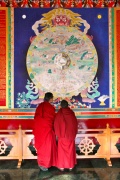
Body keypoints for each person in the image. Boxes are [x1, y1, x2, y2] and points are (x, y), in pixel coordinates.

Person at [33, 92, 57, 171]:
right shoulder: (51, 107)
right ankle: (47, 163)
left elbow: (36, 117)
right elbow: (53, 119)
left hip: (39, 130)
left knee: (41, 147)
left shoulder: (39, 106)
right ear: (50, 99)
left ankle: (41, 163)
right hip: (47, 130)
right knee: (48, 147)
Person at [54, 100, 78, 171]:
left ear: (61, 106)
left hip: (62, 136)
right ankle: (70, 165)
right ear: (68, 105)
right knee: (70, 150)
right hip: (70, 135)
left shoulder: (59, 113)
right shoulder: (71, 113)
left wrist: (58, 134)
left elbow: (56, 124)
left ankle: (62, 166)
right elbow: (74, 123)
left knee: (61, 151)